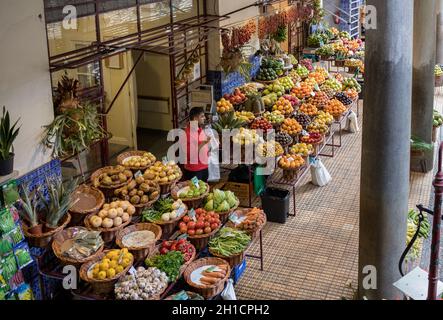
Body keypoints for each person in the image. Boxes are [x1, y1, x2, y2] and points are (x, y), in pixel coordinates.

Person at [182, 107, 211, 182]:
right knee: (196, 191)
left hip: (203, 167)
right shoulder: (187, 134)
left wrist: (208, 148)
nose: (204, 118)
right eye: (202, 116)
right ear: (195, 118)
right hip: (194, 171)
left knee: (204, 189)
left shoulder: (199, 129)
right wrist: (204, 143)